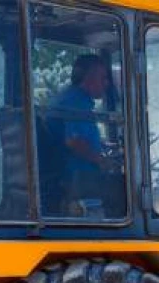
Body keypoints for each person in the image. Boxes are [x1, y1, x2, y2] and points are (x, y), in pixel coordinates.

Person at [47, 54, 116, 214]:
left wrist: (102, 145)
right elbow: (74, 141)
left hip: (71, 174)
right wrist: (102, 160)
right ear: (88, 78)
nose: (106, 83)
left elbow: (75, 136)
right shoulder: (77, 101)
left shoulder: (69, 97)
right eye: (103, 77)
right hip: (78, 180)